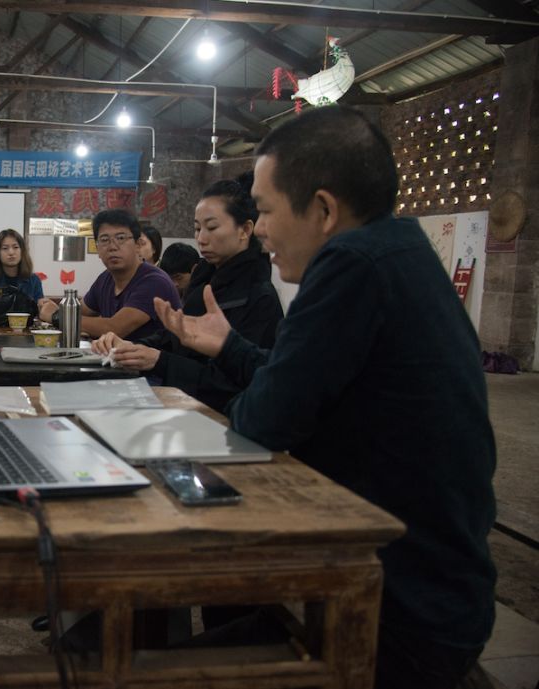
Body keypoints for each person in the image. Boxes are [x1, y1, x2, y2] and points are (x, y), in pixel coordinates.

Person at [154, 106, 496, 689]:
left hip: (394, 608)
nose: (258, 229)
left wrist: (247, 387)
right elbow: (304, 380)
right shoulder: (397, 252)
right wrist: (230, 348)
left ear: (324, 209)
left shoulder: (351, 264)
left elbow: (262, 422)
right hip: (432, 592)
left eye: (262, 211)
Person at [91, 174, 283, 411]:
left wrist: (159, 361)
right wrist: (132, 347)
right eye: (196, 228)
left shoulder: (258, 296)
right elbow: (175, 338)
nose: (201, 239)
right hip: (184, 406)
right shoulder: (205, 278)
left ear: (245, 229)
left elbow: (232, 383)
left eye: (212, 227)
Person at [39, 209, 180, 341]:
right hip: (116, 363)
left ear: (137, 245)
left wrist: (57, 316)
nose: (113, 246)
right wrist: (51, 306)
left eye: (121, 238)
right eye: (105, 240)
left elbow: (115, 328)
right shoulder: (105, 279)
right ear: (98, 249)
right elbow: (80, 311)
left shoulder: (154, 282)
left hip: (156, 365)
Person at [0, 228, 45, 303]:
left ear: (22, 251)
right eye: (5, 248)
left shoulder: (34, 281)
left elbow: (39, 311)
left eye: (15, 247)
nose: (11, 252)